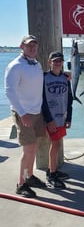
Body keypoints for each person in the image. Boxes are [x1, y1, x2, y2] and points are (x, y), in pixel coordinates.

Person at [4, 35, 47, 197]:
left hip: (37, 112)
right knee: (28, 149)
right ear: (21, 46)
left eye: (34, 45)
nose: (32, 48)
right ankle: (20, 184)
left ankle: (29, 176)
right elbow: (9, 91)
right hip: (24, 113)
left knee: (34, 147)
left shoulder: (36, 64)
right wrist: (23, 114)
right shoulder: (15, 66)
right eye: (29, 46)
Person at [42, 51, 73, 189]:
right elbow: (42, 100)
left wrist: (69, 117)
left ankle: (52, 169)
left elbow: (69, 99)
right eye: (54, 61)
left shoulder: (66, 78)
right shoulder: (44, 78)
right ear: (50, 62)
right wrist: (48, 120)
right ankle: (51, 175)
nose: (57, 63)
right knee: (55, 145)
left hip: (62, 117)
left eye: (60, 61)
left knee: (57, 144)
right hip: (51, 119)